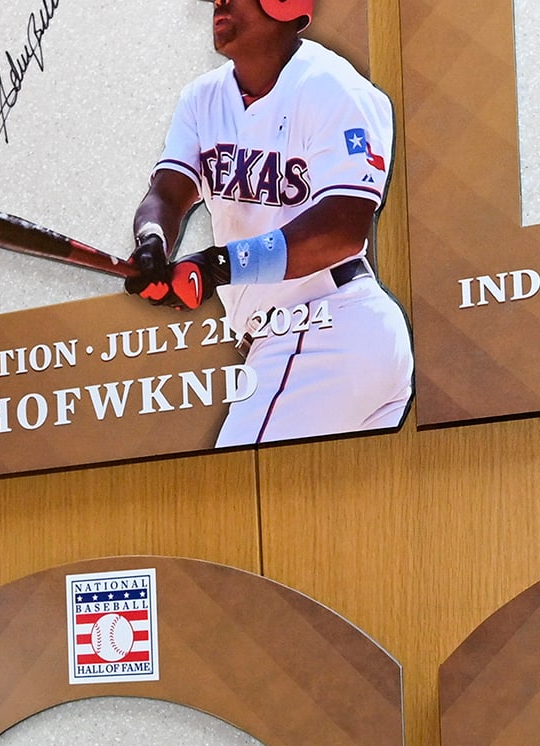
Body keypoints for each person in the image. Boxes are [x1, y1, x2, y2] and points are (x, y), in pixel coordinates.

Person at [123, 0, 413, 448]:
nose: (218, 1)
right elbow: (166, 193)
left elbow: (342, 229)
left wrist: (217, 266)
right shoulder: (202, 99)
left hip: (324, 326)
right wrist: (153, 241)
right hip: (290, 344)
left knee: (231, 500)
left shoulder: (332, 87)